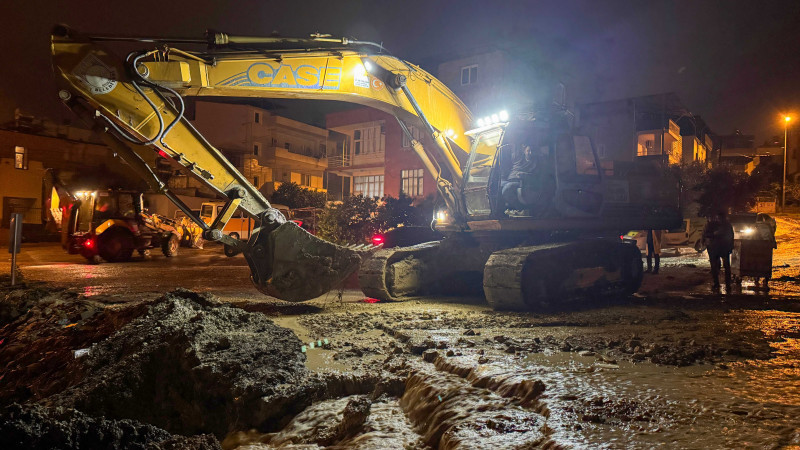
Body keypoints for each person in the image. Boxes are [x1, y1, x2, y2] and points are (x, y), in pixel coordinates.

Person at [702, 210, 735, 291]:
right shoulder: (724, 225)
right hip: (718, 248)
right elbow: (731, 236)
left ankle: (721, 284)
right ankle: (722, 284)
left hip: (718, 248)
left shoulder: (721, 225)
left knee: (720, 266)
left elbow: (705, 234)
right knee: (719, 266)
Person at [501, 144, 537, 213]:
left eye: (532, 151)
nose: (530, 153)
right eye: (528, 151)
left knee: (507, 188)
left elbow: (535, 176)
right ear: (524, 151)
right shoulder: (519, 159)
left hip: (521, 182)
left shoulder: (534, 163)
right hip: (509, 180)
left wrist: (524, 175)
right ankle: (502, 211)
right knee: (498, 185)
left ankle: (520, 209)